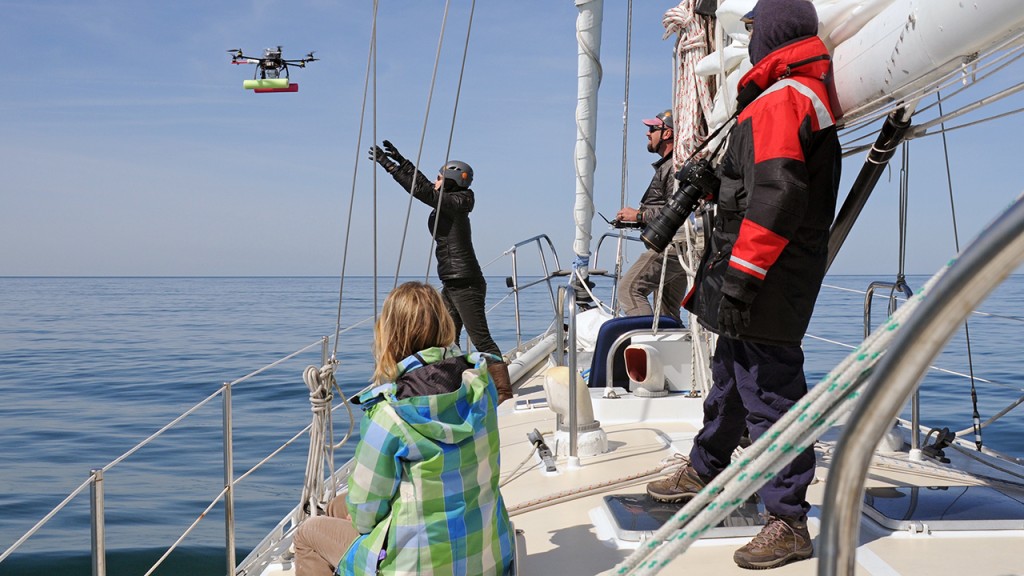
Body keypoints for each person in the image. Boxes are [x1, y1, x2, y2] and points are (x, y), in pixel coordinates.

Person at [645, 0, 841, 570]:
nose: (747, 37)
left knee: (770, 394)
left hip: (763, 277)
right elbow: (757, 186)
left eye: (752, 28)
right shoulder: (784, 97)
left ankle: (787, 521)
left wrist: (742, 279)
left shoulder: (782, 100)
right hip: (755, 272)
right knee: (731, 376)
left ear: (771, 34)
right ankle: (706, 467)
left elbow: (778, 196)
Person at [294, 281, 515, 576]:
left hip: (418, 569)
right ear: (445, 324)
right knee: (335, 507)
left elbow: (364, 516)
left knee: (308, 534)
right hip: (487, 561)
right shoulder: (482, 388)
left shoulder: (390, 414)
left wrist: (360, 520)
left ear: (390, 336)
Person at [370, 141, 513, 404]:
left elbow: (425, 193)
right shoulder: (449, 200)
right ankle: (450, 388)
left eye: (439, 176)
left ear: (450, 179)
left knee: (481, 339)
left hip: (466, 283)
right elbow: (425, 187)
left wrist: (391, 167)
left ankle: (504, 392)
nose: (435, 181)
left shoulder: (460, 201)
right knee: (448, 340)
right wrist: (403, 161)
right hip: (452, 282)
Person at [615, 109, 689, 324]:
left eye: (652, 129)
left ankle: (646, 340)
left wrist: (639, 215)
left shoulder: (674, 166)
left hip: (673, 245)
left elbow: (679, 209)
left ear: (667, 134)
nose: (647, 134)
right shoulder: (672, 165)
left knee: (629, 289)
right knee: (666, 313)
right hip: (682, 245)